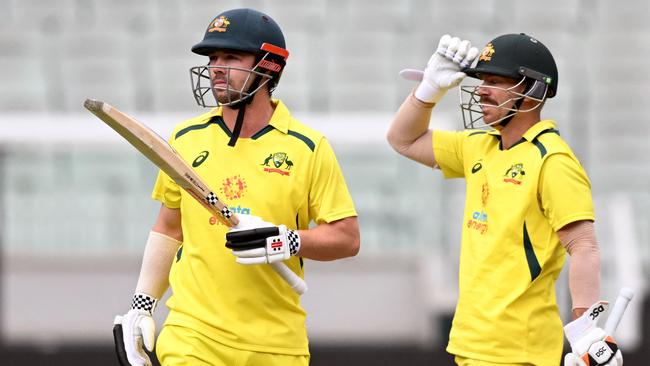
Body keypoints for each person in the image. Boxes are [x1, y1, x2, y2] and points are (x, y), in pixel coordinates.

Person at [113, 8, 360, 366]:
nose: (216, 67)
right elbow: (170, 226)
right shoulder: (185, 138)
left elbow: (347, 239)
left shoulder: (308, 147)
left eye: (231, 57)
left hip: (277, 345)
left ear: (270, 66)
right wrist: (142, 304)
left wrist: (287, 240)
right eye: (213, 57)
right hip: (193, 335)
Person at [387, 33, 623, 365]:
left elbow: (583, 245)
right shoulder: (479, 145)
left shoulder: (552, 160)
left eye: (495, 81)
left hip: (520, 349)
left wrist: (585, 329)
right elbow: (402, 139)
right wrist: (429, 90)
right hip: (470, 343)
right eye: (482, 80)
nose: (481, 89)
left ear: (532, 92)